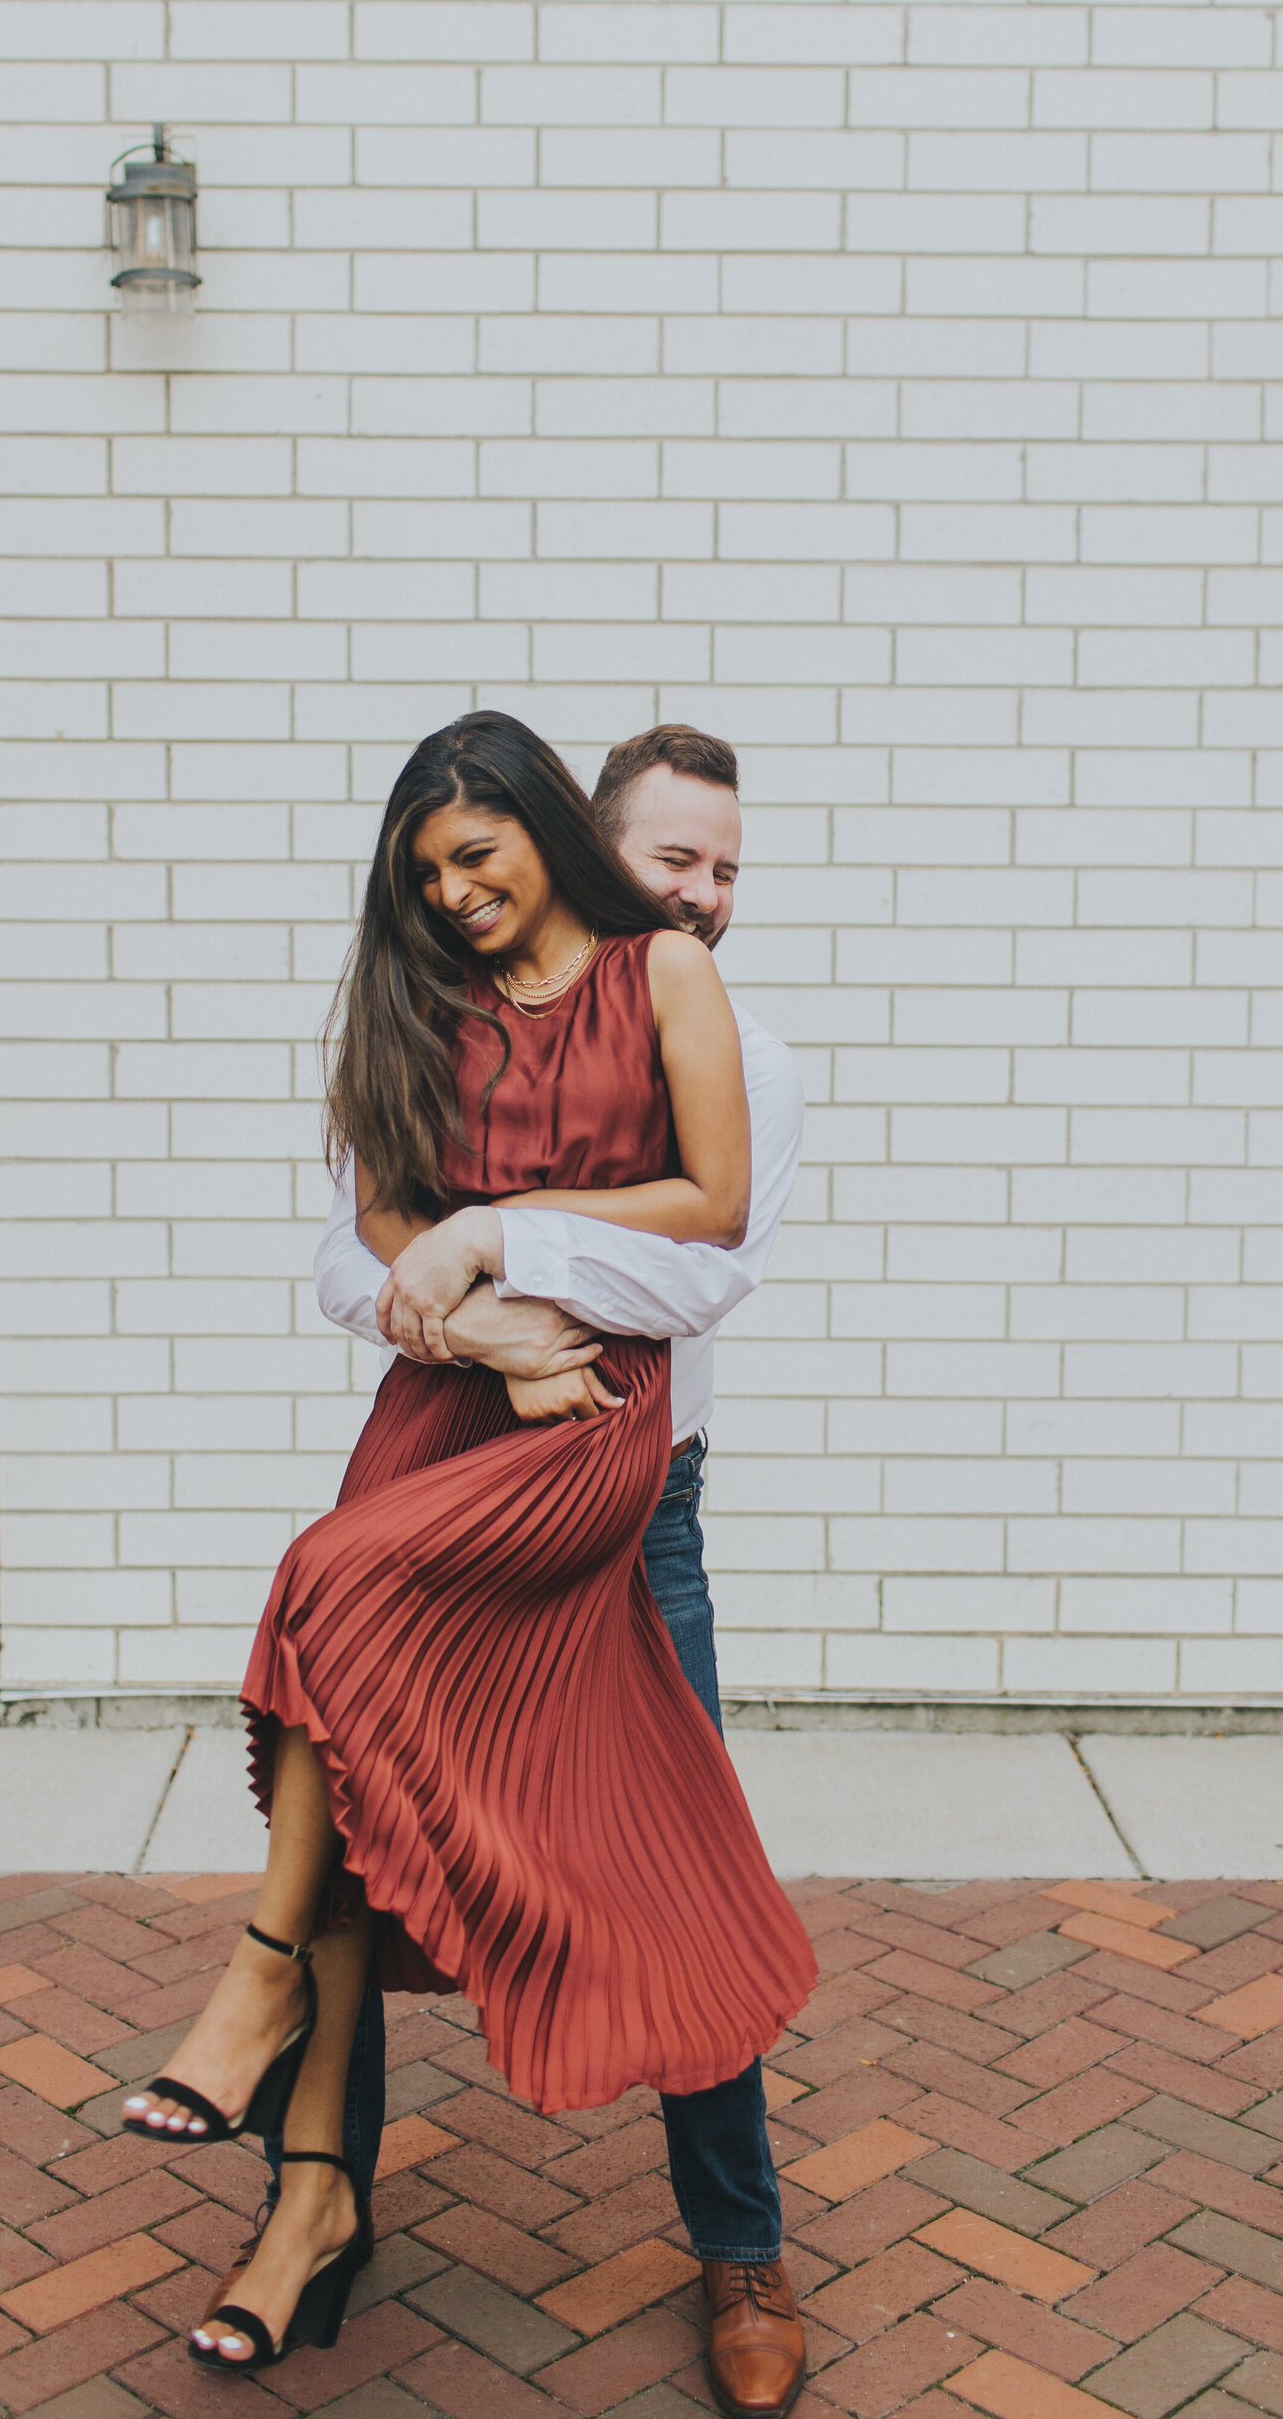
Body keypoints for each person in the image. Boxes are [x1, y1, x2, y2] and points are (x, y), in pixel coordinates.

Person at [121, 712, 816, 2390]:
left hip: (629, 1503)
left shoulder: (706, 1016)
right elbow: (356, 1252)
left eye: (727, 868)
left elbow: (706, 1257)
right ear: (595, 833)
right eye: (676, 859)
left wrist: (491, 1244)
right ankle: (309, 2203)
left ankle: (741, 2248)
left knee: (671, 1864)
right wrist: (475, 1317)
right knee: (355, 1772)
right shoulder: (442, 994)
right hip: (458, 1438)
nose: (705, 892)